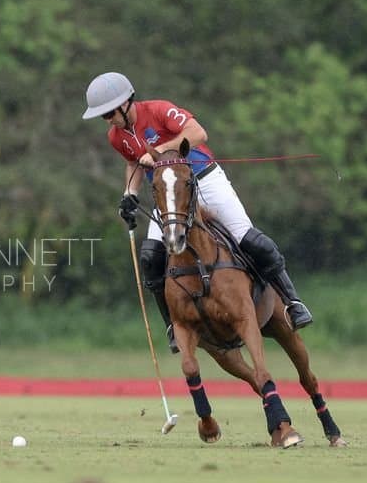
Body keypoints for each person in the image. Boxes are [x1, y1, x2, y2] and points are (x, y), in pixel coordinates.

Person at [82, 72, 312, 353]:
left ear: (126, 102)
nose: (108, 120)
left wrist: (160, 150)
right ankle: (171, 324)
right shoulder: (116, 137)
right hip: (170, 194)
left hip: (205, 179)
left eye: (109, 113)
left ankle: (292, 302)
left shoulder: (158, 109)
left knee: (248, 238)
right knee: (151, 257)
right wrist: (128, 194)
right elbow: (133, 163)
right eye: (103, 116)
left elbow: (198, 133)